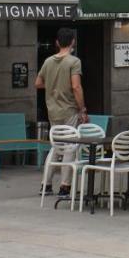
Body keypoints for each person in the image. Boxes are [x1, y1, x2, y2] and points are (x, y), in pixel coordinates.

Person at [35, 27, 87, 197]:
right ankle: (65, 186)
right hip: (69, 110)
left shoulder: (48, 61)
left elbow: (38, 83)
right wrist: (83, 109)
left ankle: (46, 184)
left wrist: (53, 86)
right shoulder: (74, 61)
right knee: (70, 147)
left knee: (56, 147)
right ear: (73, 41)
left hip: (53, 111)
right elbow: (76, 86)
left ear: (57, 42)